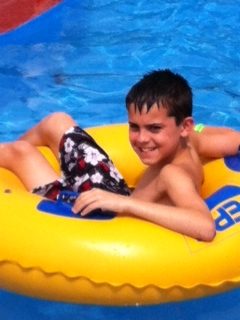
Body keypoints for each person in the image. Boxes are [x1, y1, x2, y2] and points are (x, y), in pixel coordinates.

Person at [0, 70, 239, 242]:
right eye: (135, 127)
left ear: (184, 126)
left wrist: (125, 203)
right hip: (116, 194)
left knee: (20, 153)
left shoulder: (174, 174)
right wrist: (123, 199)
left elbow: (205, 227)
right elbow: (234, 139)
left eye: (154, 128)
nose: (142, 139)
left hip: (100, 217)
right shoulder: (193, 139)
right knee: (57, 122)